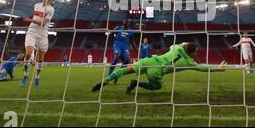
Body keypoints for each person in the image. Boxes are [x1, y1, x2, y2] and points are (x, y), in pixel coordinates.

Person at [92, 43, 227, 94]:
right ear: (192, 53)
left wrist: (184, 43)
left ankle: (106, 80)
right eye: (195, 52)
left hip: (149, 61)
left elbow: (175, 45)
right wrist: (218, 68)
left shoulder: (177, 47)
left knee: (124, 70)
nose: (196, 53)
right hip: (156, 71)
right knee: (157, 86)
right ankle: (137, 83)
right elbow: (203, 68)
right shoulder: (188, 62)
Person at [21, 0, 55, 88]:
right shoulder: (36, 5)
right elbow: (38, 17)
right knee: (28, 54)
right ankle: (26, 75)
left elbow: (44, 23)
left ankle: (37, 77)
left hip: (43, 34)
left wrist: (30, 20)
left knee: (40, 59)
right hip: (32, 31)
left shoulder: (51, 9)